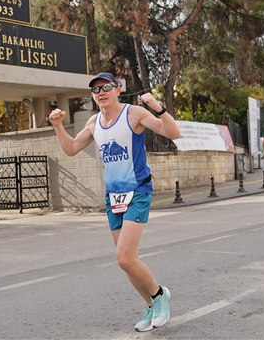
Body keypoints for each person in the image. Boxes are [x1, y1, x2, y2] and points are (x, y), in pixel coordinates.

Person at [48, 72, 181, 332]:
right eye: (96, 89)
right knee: (128, 262)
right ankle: (151, 306)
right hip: (113, 197)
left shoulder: (133, 114)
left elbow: (173, 132)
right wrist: (57, 126)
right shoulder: (94, 122)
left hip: (138, 190)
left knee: (124, 257)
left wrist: (158, 107)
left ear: (118, 89)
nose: (101, 92)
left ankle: (159, 295)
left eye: (106, 87)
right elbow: (71, 149)